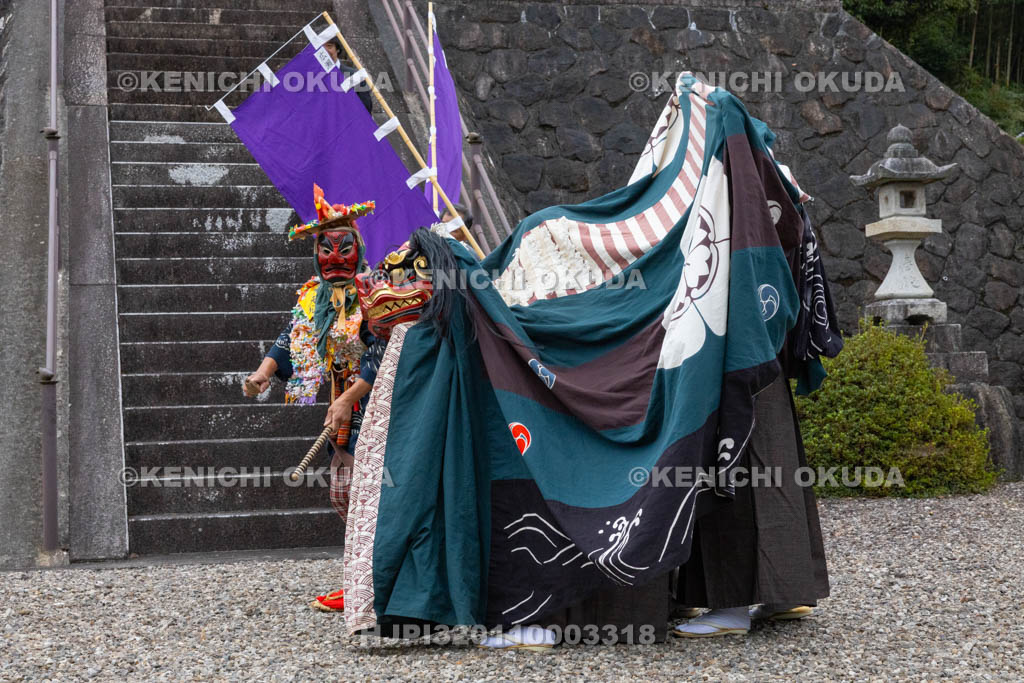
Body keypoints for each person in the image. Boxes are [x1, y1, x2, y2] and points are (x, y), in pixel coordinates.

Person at [243, 184, 380, 613]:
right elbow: (291, 339)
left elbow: (383, 353)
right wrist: (263, 374)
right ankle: (363, 579)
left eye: (344, 247)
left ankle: (375, 582)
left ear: (358, 248)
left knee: (369, 491)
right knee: (342, 492)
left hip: (380, 403)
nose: (335, 257)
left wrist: (353, 395)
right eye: (326, 248)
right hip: (341, 404)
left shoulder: (376, 295)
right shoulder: (312, 296)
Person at [322, 37, 373, 114]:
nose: (325, 50)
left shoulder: (355, 76)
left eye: (329, 46)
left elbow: (365, 109)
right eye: (321, 47)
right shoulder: (311, 76)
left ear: (337, 49)